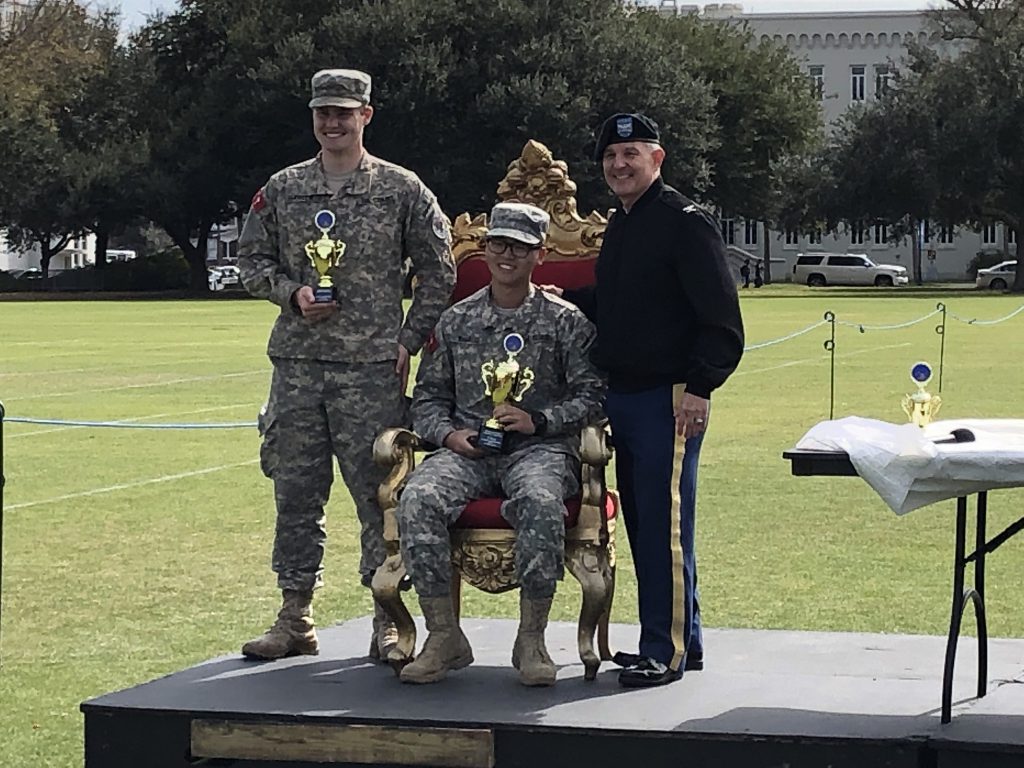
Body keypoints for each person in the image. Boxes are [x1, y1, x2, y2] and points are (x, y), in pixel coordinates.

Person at [236, 68, 456, 662]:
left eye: (344, 112)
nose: (332, 123)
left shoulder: (401, 189)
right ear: (313, 117)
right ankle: (294, 616)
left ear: (366, 115)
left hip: (370, 369)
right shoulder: (284, 188)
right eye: (322, 113)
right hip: (299, 366)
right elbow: (250, 262)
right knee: (296, 493)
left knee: (379, 497)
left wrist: (411, 338)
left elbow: (439, 270)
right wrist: (291, 294)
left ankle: (386, 619)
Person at [550, 113, 744, 687]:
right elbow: (626, 303)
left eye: (631, 153)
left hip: (670, 398)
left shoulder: (683, 222)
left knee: (664, 526)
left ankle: (664, 649)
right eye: (611, 156)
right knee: (646, 523)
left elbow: (721, 319)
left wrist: (702, 386)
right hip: (625, 395)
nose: (619, 165)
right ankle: (685, 639)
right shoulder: (626, 222)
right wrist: (567, 296)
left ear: (657, 159)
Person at [395, 202, 605, 687]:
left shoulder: (565, 321)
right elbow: (426, 400)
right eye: (497, 244)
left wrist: (540, 420)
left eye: (519, 247)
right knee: (419, 496)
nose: (506, 255)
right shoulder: (455, 322)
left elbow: (594, 396)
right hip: (469, 449)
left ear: (540, 255)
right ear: (485, 250)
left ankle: (531, 639)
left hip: (540, 448)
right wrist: (450, 435)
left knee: (539, 499)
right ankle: (443, 635)